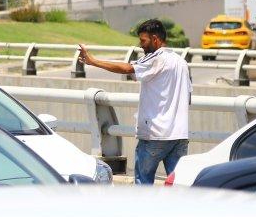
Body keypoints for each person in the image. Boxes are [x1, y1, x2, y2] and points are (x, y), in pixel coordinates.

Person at [78, 18, 191, 185]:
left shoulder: (156, 58)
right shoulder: (181, 62)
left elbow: (128, 69)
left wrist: (93, 61)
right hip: (180, 136)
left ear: (155, 39)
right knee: (180, 186)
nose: (141, 45)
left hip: (155, 136)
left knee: (142, 186)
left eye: (143, 40)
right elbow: (188, 97)